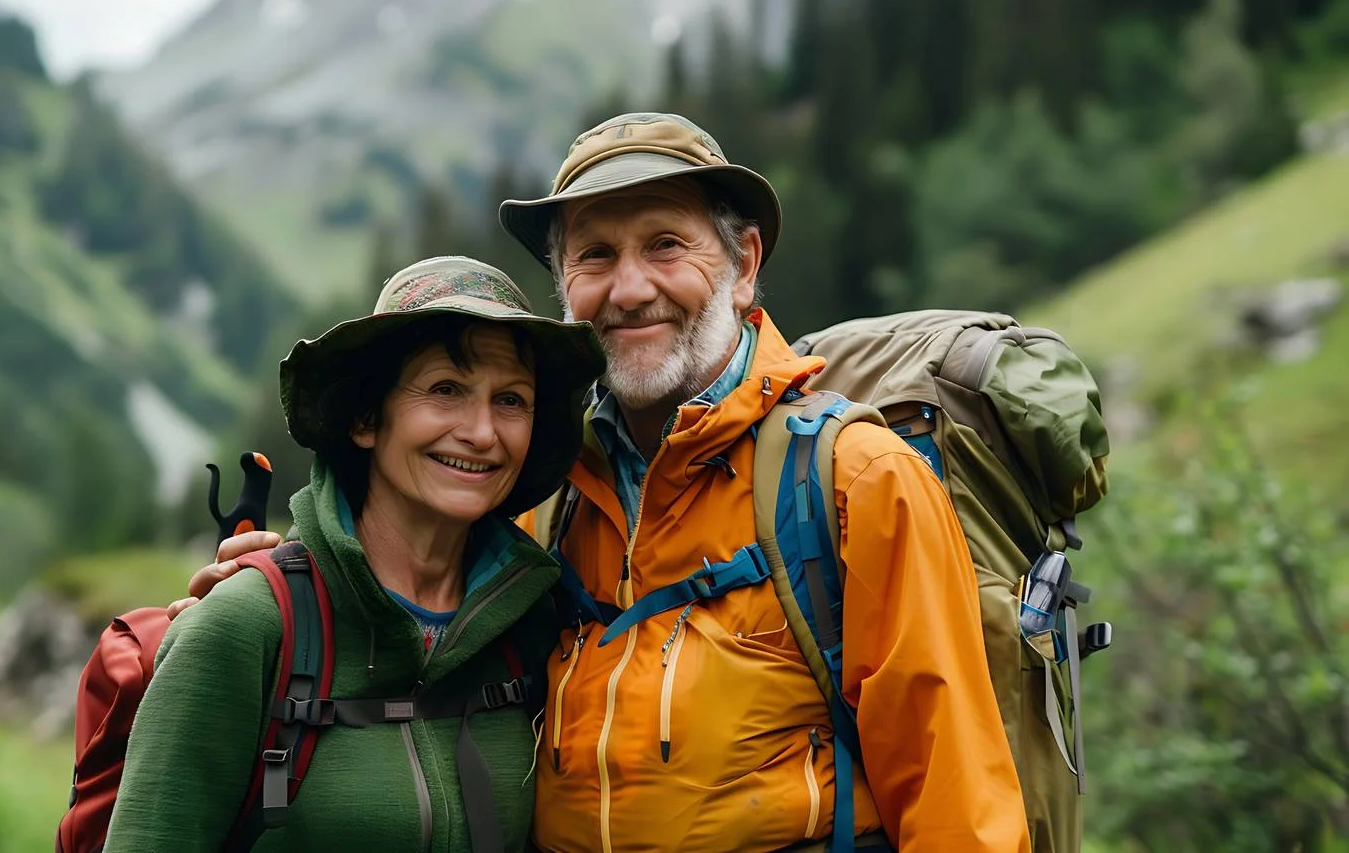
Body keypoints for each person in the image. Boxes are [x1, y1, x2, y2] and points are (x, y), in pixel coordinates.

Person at [186, 114, 1031, 852]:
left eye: (665, 243)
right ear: (566, 291)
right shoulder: (543, 490)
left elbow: (960, 811)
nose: (629, 289)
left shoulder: (856, 481)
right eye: (595, 255)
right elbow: (414, 609)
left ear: (742, 264)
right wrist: (279, 603)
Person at [109, 255, 606, 852]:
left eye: (511, 400)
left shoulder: (532, 627)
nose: (481, 432)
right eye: (446, 390)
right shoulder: (246, 628)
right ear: (367, 419)